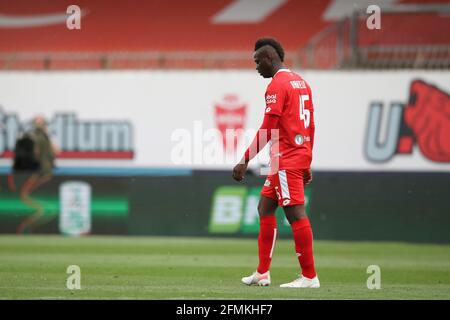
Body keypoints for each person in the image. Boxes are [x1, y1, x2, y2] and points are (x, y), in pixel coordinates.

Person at [232, 38, 319, 288]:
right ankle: (262, 272)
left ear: (270, 58)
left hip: (286, 158)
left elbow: (268, 129)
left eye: (258, 61)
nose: (256, 67)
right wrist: (307, 160)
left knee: (295, 214)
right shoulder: (301, 82)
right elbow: (310, 125)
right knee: (265, 208)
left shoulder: (277, 86)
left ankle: (310, 276)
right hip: (295, 156)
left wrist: (244, 160)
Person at [12, 115, 58, 234]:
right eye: (38, 122)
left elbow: (56, 151)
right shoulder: (32, 137)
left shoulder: (46, 137)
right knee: (26, 197)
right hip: (36, 173)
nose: (40, 125)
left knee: (45, 207)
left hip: (43, 173)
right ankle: (26, 226)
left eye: (42, 123)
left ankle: (28, 225)